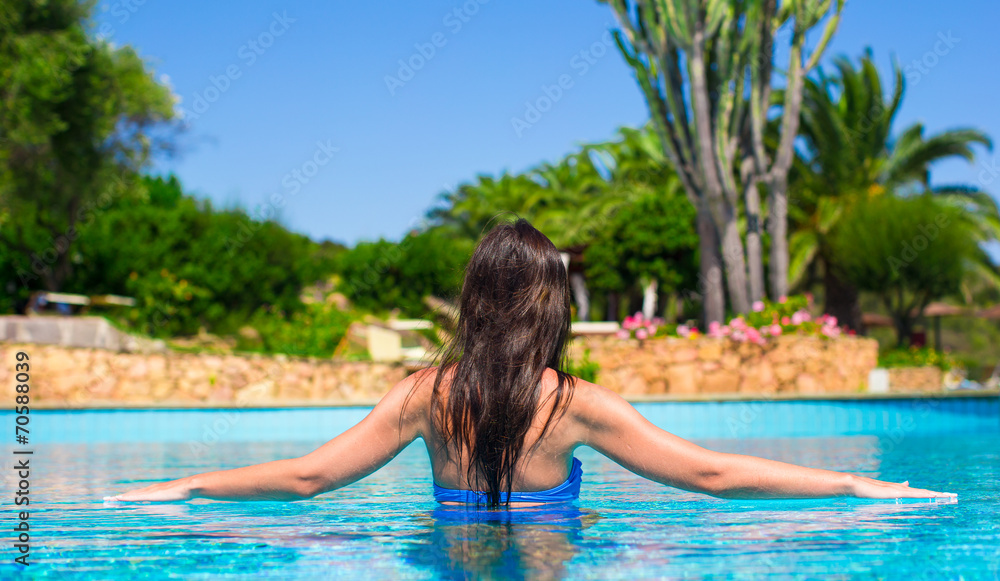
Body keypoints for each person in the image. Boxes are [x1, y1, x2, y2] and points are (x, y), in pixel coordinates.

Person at [107, 219, 955, 506]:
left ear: (476, 299)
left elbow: (305, 481)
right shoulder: (575, 403)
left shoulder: (424, 395)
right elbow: (712, 475)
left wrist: (187, 484)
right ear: (554, 306)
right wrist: (853, 484)